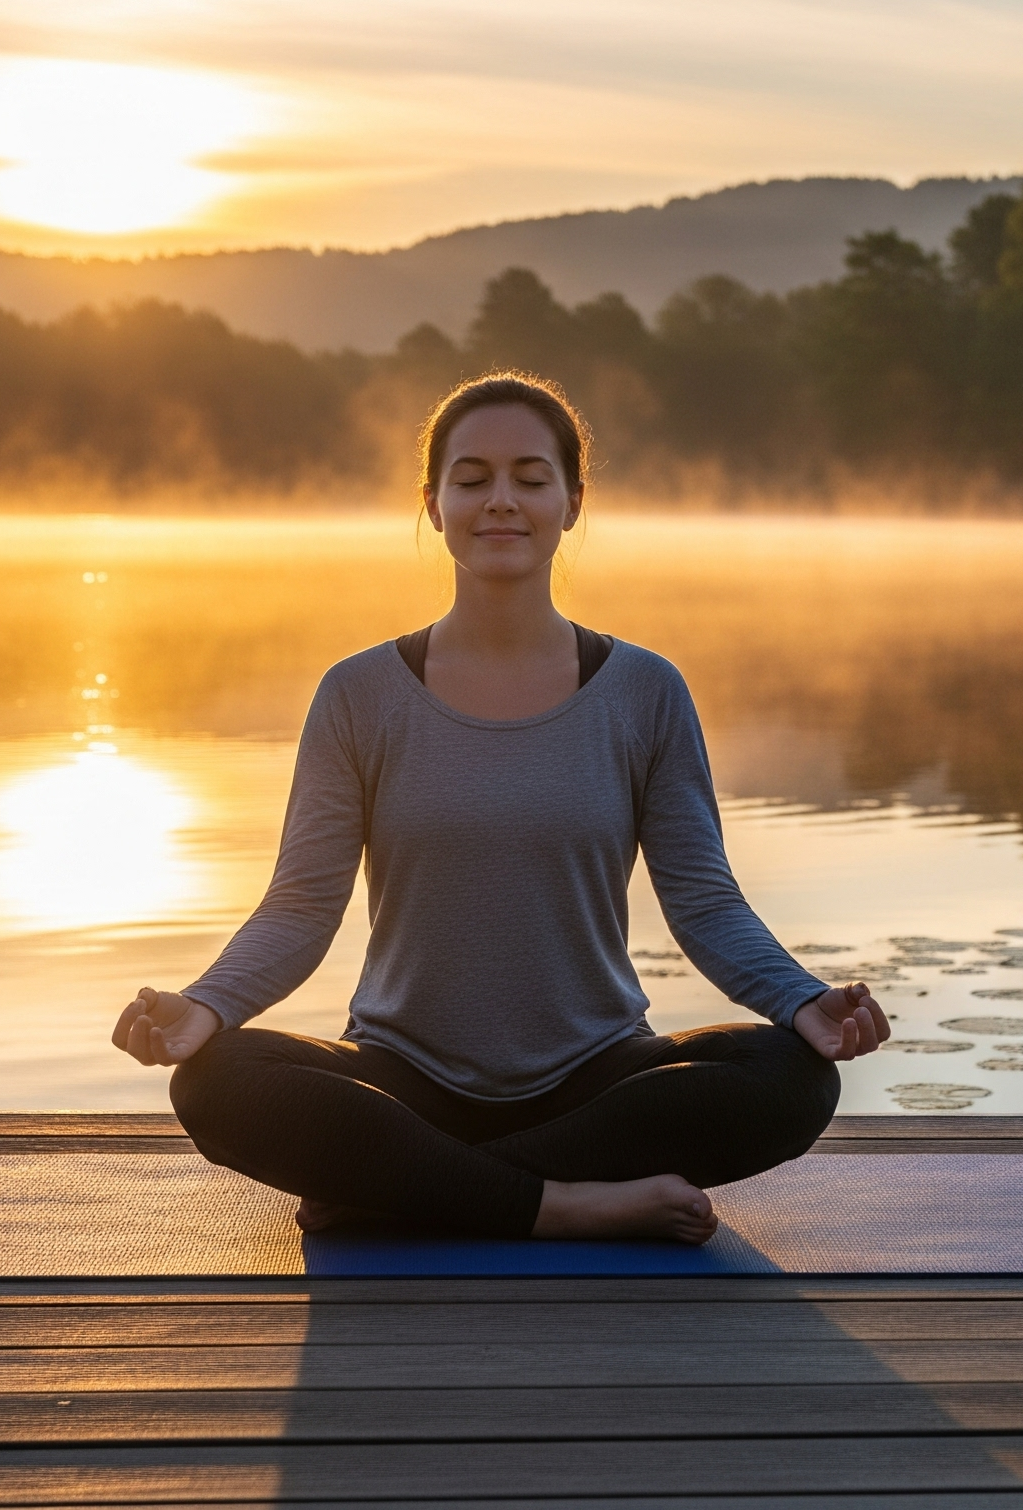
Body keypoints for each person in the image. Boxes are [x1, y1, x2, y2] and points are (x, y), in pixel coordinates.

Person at [112, 373, 887, 1244]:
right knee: (218, 1080)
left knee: (791, 1077)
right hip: (402, 1075)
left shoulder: (645, 692)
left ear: (572, 502)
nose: (501, 502)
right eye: (471, 479)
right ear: (435, 507)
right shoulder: (358, 695)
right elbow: (301, 907)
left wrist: (799, 999)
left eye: (530, 476)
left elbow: (703, 902)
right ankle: (565, 1204)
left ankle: (402, 1187)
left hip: (598, 1076)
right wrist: (206, 1006)